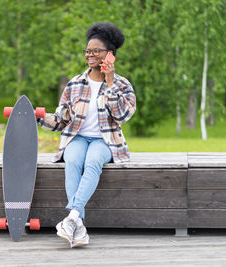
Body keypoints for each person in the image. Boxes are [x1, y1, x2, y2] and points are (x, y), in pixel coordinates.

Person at [37, 22, 136, 248]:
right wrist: (38, 116)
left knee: (93, 162)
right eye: (88, 51)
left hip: (105, 140)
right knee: (73, 161)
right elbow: (62, 119)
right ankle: (77, 222)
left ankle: (72, 218)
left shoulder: (123, 85)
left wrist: (110, 84)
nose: (90, 55)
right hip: (77, 137)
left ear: (109, 55)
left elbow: (121, 116)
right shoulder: (75, 84)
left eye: (96, 51)